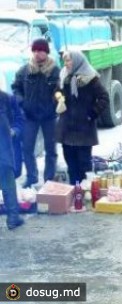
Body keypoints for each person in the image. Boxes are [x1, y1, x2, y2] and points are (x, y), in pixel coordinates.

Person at [12, 38, 60, 188]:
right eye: (35, 50)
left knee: (51, 149)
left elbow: (60, 90)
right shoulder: (25, 70)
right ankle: (32, 177)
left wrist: (56, 102)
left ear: (46, 52)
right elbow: (15, 87)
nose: (37, 53)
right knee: (27, 148)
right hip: (29, 116)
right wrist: (22, 102)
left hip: (49, 116)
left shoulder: (54, 71)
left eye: (40, 50)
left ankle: (49, 179)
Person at [57, 50, 108, 185]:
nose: (66, 64)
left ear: (77, 61)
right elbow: (57, 92)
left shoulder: (90, 78)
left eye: (69, 60)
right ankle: (74, 193)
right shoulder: (63, 76)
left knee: (84, 164)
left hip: (84, 128)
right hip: (67, 127)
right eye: (65, 61)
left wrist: (91, 114)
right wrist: (58, 97)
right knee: (70, 163)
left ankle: (86, 193)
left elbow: (104, 98)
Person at [0, 90, 24, 230]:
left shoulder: (7, 98)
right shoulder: (6, 98)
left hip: (4, 149)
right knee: (7, 181)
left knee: (7, 179)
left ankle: (13, 218)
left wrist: (14, 131)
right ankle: (13, 218)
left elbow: (19, 119)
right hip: (4, 152)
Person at [6, 95, 24, 178]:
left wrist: (14, 130)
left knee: (15, 172)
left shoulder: (10, 99)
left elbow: (20, 119)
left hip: (11, 142)